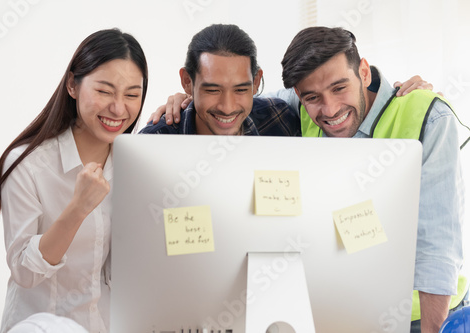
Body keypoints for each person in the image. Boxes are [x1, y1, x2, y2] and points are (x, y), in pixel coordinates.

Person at [280, 26, 465, 333]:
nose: (331, 109)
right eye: (313, 97)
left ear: (364, 72)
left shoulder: (429, 117)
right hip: (346, 313)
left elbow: (437, 245)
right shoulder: (300, 106)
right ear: (300, 94)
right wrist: (186, 100)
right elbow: (234, 102)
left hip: (421, 317)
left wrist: (434, 329)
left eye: (340, 88)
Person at [0, 28, 148, 333]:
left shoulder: (135, 165)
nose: (119, 108)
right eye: (105, 91)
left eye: (132, 94)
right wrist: (78, 207)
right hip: (39, 325)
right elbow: (24, 271)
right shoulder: (28, 164)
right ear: (73, 85)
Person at [139, 24, 301, 136]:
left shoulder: (280, 118)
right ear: (188, 82)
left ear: (256, 82)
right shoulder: (154, 140)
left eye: (240, 90)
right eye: (212, 90)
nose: (227, 107)